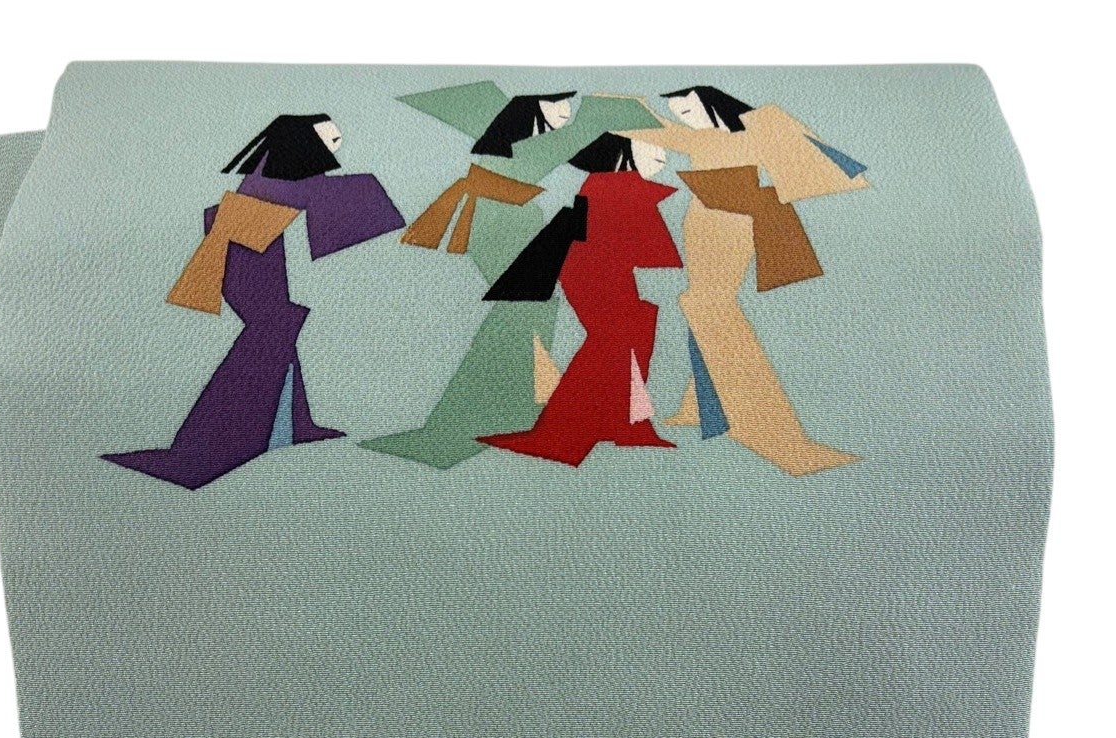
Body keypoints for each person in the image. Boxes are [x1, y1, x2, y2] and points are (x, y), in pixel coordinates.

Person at [360, 86, 661, 469]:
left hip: (519, 222)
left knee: (530, 311)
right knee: (520, 311)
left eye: (566, 104)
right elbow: (560, 148)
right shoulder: (512, 145)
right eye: (556, 104)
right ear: (529, 110)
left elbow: (562, 150)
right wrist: (596, 118)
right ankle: (479, 417)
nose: (564, 110)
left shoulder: (530, 147)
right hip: (501, 224)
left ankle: (518, 406)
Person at [104, 114, 404, 489]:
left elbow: (312, 197)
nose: (334, 151)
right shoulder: (276, 175)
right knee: (272, 331)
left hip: (256, 253)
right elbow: (316, 197)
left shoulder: (280, 172)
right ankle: (209, 445)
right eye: (330, 142)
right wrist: (366, 188)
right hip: (244, 260)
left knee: (279, 331)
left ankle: (291, 425)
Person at [618, 86, 867, 475]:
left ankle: (745, 420)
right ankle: (716, 412)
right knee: (708, 305)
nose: (684, 115)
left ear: (711, 103)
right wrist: (630, 114)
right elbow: (663, 132)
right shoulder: (712, 138)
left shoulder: (751, 132)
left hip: (730, 223)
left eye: (688, 106)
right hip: (706, 220)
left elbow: (802, 162)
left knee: (710, 306)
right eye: (678, 110)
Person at [478, 134, 681, 466]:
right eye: (649, 145)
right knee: (615, 337)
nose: (662, 154)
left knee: (631, 333)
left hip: (605, 268)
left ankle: (625, 424)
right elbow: (636, 245)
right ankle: (566, 431)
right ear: (623, 152)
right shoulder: (608, 185)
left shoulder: (614, 184)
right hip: (590, 270)